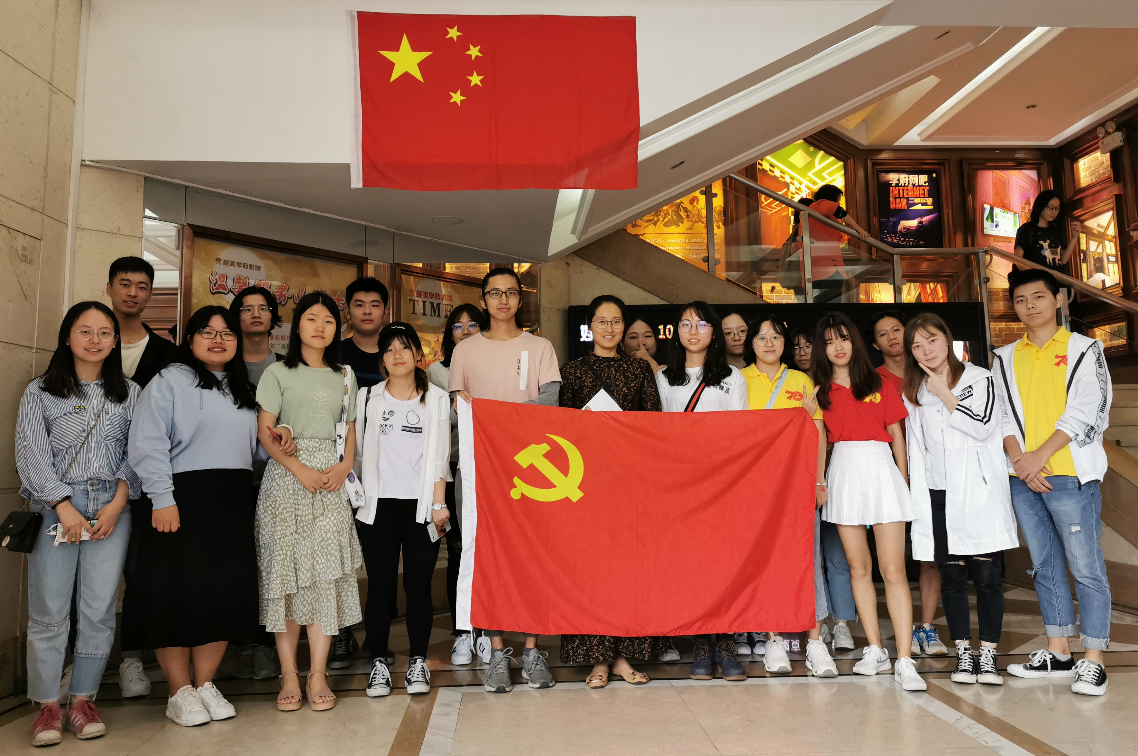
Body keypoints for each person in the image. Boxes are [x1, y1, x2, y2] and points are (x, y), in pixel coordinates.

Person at [123, 306, 267, 726]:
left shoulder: (242, 389)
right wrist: (162, 498)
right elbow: (147, 443)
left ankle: (204, 684)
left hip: (232, 500)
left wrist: (280, 439)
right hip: (179, 499)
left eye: (227, 333)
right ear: (190, 340)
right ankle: (179, 690)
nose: (218, 339)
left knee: (223, 591)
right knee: (174, 592)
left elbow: (254, 450)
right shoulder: (168, 381)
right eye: (208, 332)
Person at [17, 302, 141, 746]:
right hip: (56, 504)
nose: (94, 340)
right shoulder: (40, 392)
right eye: (84, 331)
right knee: (50, 609)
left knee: (99, 607)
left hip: (111, 505)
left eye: (104, 332)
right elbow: (30, 454)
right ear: (67, 336)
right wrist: (62, 504)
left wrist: (118, 502)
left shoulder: (130, 393)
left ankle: (83, 701)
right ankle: (47, 706)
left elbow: (137, 452)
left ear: (115, 341)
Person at [994, 269, 1113, 696]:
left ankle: (1093, 659)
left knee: (1085, 566)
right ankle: (1059, 652)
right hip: (1022, 477)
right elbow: (1001, 414)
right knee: (1043, 564)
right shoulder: (1003, 356)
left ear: (1059, 299)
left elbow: (1090, 409)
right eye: (1021, 299)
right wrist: (1020, 461)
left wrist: (1038, 457)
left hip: (1069, 473)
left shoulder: (1084, 349)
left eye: (1038, 297)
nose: (1030, 305)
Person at [450, 267, 561, 693]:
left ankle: (532, 649)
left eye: (510, 293)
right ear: (483, 299)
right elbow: (459, 406)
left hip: (532, 470)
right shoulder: (465, 350)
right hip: (481, 470)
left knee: (535, 555)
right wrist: (492, 419)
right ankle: (497, 650)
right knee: (487, 557)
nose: (502, 300)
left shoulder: (540, 346)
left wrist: (498, 416)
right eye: (494, 293)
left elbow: (550, 400)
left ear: (520, 299)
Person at [255, 292, 364, 712]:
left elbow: (349, 428)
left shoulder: (345, 375)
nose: (320, 327)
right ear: (296, 325)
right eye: (312, 319)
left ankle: (317, 673)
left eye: (329, 321)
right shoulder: (277, 372)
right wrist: (297, 468)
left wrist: (345, 465)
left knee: (324, 577)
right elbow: (265, 430)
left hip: (331, 480)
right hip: (287, 479)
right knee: (284, 577)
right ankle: (289, 674)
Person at [902, 312, 1017, 687]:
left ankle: (989, 654)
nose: (926, 350)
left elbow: (984, 426)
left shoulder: (980, 378)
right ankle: (964, 652)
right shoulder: (915, 392)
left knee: (986, 577)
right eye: (917, 345)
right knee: (951, 577)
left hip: (977, 493)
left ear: (947, 339)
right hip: (938, 494)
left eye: (932, 340)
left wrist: (945, 393)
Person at [813, 312, 925, 691]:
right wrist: (819, 480)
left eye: (843, 338)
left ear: (855, 342)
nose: (838, 347)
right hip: (843, 472)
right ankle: (875, 649)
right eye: (829, 341)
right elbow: (818, 438)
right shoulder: (820, 390)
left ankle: (905, 658)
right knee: (858, 568)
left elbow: (897, 433)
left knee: (893, 570)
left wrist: (903, 479)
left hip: (881, 469)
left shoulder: (879, 382)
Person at [558, 295, 662, 688]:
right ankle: (598, 659)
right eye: (601, 321)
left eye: (616, 321)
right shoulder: (572, 371)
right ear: (590, 327)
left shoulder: (639, 369)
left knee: (627, 571)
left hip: (630, 483)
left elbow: (654, 425)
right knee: (590, 572)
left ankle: (621, 656)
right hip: (584, 485)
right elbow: (561, 431)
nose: (609, 328)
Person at [355, 323, 452, 698]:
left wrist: (440, 504)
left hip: (422, 509)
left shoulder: (437, 399)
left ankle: (418, 662)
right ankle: (379, 662)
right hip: (377, 507)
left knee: (418, 587)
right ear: (382, 358)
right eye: (390, 349)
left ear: (418, 355)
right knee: (379, 588)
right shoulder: (367, 397)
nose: (397, 354)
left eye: (405, 347)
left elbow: (441, 457)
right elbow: (356, 453)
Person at [739, 314, 838, 678]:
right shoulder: (738, 380)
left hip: (798, 483)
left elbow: (818, 432)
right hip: (756, 486)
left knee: (808, 558)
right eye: (762, 337)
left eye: (776, 337)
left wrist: (818, 480)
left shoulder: (801, 379)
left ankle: (815, 642)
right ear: (751, 343)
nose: (769, 343)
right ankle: (774, 640)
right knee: (766, 561)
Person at [655, 301, 748, 681]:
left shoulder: (732, 377)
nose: (693, 331)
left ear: (714, 332)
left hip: (722, 483)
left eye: (702, 324)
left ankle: (725, 642)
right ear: (676, 331)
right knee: (691, 564)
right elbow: (659, 433)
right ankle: (700, 644)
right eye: (686, 324)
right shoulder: (664, 377)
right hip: (681, 484)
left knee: (723, 563)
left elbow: (740, 434)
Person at [105, 256, 176, 698]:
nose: (133, 292)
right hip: (90, 479)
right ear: (110, 288)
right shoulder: (89, 339)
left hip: (145, 481)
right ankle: (78, 663)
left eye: (142, 286)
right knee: (87, 578)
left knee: (139, 570)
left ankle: (131, 657)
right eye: (125, 283)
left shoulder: (167, 354)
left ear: (151, 293)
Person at [215, 286, 286, 683]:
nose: (256, 314)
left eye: (263, 308)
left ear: (274, 317)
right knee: (230, 563)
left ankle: (263, 645)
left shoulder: (286, 368)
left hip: (275, 480)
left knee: (270, 565)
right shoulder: (221, 366)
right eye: (247, 309)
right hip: (230, 480)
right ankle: (227, 643)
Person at [870, 309, 946, 658]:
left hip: (932, 474)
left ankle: (926, 626)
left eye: (896, 329)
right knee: (894, 560)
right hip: (890, 476)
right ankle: (902, 630)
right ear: (875, 344)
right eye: (882, 333)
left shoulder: (929, 371)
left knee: (931, 554)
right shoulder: (872, 379)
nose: (891, 337)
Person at [329, 277, 388, 669]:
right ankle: (341, 634)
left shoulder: (395, 352)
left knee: (378, 558)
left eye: (374, 304)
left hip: (386, 473)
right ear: (347, 309)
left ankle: (377, 636)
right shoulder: (335, 354)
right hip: (341, 470)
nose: (367, 311)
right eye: (359, 304)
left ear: (385, 310)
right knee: (340, 556)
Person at [425, 303, 489, 667]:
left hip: (488, 465)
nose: (465, 331)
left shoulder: (489, 364)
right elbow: (436, 421)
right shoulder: (437, 371)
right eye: (458, 326)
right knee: (460, 549)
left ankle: (486, 627)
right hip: (451, 467)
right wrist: (456, 402)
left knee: (487, 547)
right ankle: (462, 628)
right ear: (449, 334)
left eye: (473, 325)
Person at [808, 185, 871, 304]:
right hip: (829, 268)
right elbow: (837, 210)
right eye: (838, 199)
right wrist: (859, 229)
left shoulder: (813, 210)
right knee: (832, 305)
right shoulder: (823, 204)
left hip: (816, 268)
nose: (839, 203)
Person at [1013, 191, 1080, 274]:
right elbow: (1018, 261)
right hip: (1035, 279)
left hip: (1054, 279)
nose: (1054, 211)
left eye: (1057, 208)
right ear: (1040, 206)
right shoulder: (1026, 230)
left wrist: (1075, 237)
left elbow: (1063, 260)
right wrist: (1040, 276)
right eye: (1050, 207)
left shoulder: (1056, 230)